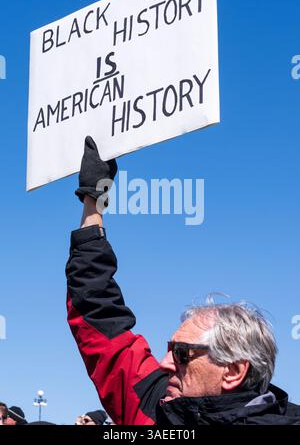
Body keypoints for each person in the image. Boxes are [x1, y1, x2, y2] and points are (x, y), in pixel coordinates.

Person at [66, 136, 300, 425]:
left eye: (181, 354)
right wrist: (93, 201)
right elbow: (99, 315)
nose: (164, 364)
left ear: (233, 371)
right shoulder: (155, 410)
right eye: (169, 351)